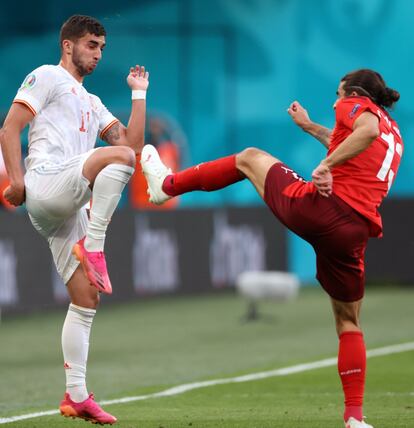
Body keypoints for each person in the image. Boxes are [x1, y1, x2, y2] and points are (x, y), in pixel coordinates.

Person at [141, 69, 402, 428]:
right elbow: (357, 143)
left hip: (324, 208)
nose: (335, 102)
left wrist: (326, 166)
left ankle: (166, 186)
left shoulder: (357, 106)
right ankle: (355, 418)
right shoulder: (394, 132)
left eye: (338, 94)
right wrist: (309, 127)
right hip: (354, 232)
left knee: (249, 157)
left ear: (354, 93)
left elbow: (364, 131)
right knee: (348, 320)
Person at [0, 15, 149, 425]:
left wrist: (139, 95)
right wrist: (17, 182)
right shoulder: (47, 76)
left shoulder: (92, 102)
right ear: (68, 46)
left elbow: (130, 147)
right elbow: (9, 129)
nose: (97, 54)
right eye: (90, 45)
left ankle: (76, 395)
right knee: (119, 159)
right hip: (47, 182)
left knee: (86, 299)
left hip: (66, 207)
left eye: (101, 47)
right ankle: (95, 246)